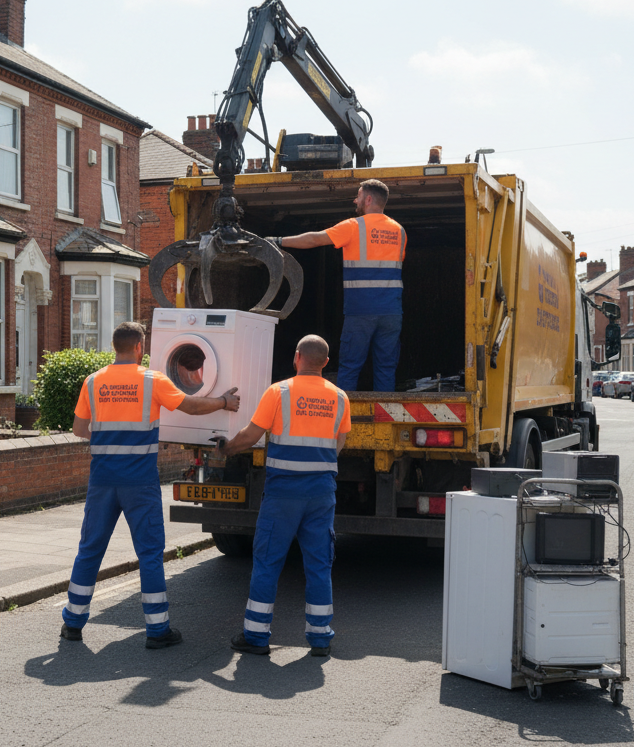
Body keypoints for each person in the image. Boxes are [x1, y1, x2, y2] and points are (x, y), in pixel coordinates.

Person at [61, 321, 240, 648]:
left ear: (115, 346)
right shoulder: (151, 380)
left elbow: (79, 428)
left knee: (90, 550)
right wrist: (224, 403)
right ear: (140, 347)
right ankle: (157, 631)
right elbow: (190, 405)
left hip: (102, 480)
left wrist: (110, 438)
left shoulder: (93, 381)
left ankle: (73, 623)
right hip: (139, 483)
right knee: (149, 553)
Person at [214, 335, 351, 657]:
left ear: (296, 357)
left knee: (268, 561)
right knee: (319, 563)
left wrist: (228, 447)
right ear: (326, 363)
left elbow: (251, 435)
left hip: (283, 493)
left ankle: (257, 636)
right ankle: (320, 638)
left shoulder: (279, 392)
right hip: (321, 492)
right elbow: (339, 443)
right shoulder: (340, 397)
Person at [275, 179, 406, 392]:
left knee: (350, 366)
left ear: (369, 199)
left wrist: (279, 241)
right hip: (392, 312)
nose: (356, 199)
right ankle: (384, 413)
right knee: (386, 366)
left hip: (361, 310)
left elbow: (314, 240)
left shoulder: (354, 226)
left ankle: (345, 418)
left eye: (359, 195)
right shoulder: (399, 230)